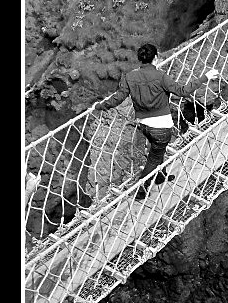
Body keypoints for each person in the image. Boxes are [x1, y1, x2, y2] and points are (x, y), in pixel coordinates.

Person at [92, 43, 220, 200]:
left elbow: (118, 98)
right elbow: (182, 91)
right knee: (154, 157)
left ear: (141, 59)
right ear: (155, 58)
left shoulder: (129, 77)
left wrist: (100, 106)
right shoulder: (161, 76)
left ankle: (160, 176)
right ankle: (140, 190)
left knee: (157, 149)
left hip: (144, 126)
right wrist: (205, 77)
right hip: (161, 127)